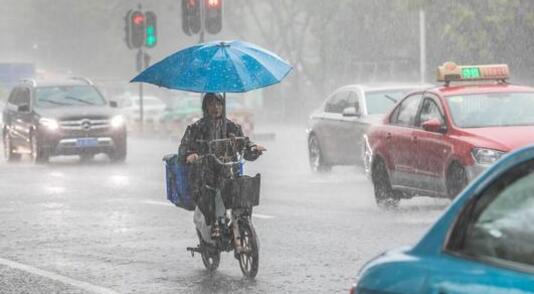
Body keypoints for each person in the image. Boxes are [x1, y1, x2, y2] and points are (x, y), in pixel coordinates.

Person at [178, 92, 266, 244]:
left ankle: (240, 222)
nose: (216, 107)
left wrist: (253, 149)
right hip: (204, 176)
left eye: (219, 104)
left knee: (243, 190)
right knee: (211, 195)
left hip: (228, 173)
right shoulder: (195, 129)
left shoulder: (232, 127)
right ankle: (213, 226)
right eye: (212, 104)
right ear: (205, 107)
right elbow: (183, 150)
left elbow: (243, 145)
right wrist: (190, 156)